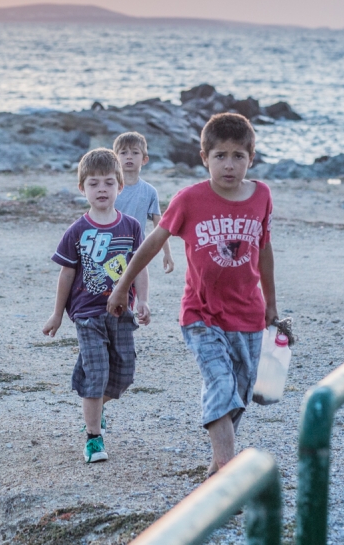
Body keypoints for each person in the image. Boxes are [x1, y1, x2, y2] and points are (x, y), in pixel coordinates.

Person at [107, 113, 279, 474]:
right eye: (220, 156)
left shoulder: (262, 195)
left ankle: (217, 467)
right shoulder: (189, 199)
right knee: (220, 383)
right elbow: (152, 243)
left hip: (248, 314)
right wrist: (123, 287)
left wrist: (272, 306)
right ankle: (227, 472)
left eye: (238, 156)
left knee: (240, 394)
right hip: (201, 314)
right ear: (204, 158)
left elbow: (264, 249)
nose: (229, 165)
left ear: (251, 158)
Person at [42, 148, 151, 463]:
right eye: (93, 183)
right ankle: (93, 437)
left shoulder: (131, 227)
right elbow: (66, 274)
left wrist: (143, 299)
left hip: (121, 314)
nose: (101, 189)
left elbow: (140, 267)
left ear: (120, 186)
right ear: (82, 189)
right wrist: (57, 315)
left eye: (108, 182)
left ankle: (95, 404)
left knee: (124, 374)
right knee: (97, 374)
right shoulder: (77, 231)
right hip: (87, 314)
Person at [113, 131, 175, 274]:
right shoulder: (110, 188)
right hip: (110, 247)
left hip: (137, 251)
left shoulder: (149, 191)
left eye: (135, 153)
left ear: (144, 160)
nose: (129, 156)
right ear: (115, 158)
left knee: (137, 285)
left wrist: (167, 253)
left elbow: (160, 225)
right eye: (123, 153)